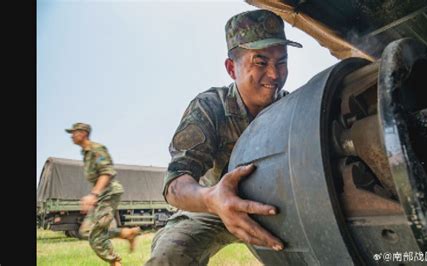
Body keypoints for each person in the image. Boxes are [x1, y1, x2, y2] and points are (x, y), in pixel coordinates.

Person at [145, 9, 302, 265]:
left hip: (276, 206)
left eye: (281, 62)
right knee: (169, 255)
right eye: (260, 62)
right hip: (213, 206)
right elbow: (175, 184)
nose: (274, 75)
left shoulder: (293, 108)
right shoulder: (210, 107)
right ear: (231, 68)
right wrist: (212, 199)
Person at [65, 122, 141, 266]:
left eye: (74, 132)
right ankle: (127, 233)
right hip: (101, 195)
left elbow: (107, 172)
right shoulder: (86, 153)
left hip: (109, 193)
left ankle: (115, 263)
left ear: (83, 133)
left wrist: (93, 195)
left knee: (96, 236)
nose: (71, 136)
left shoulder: (96, 149)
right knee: (86, 232)